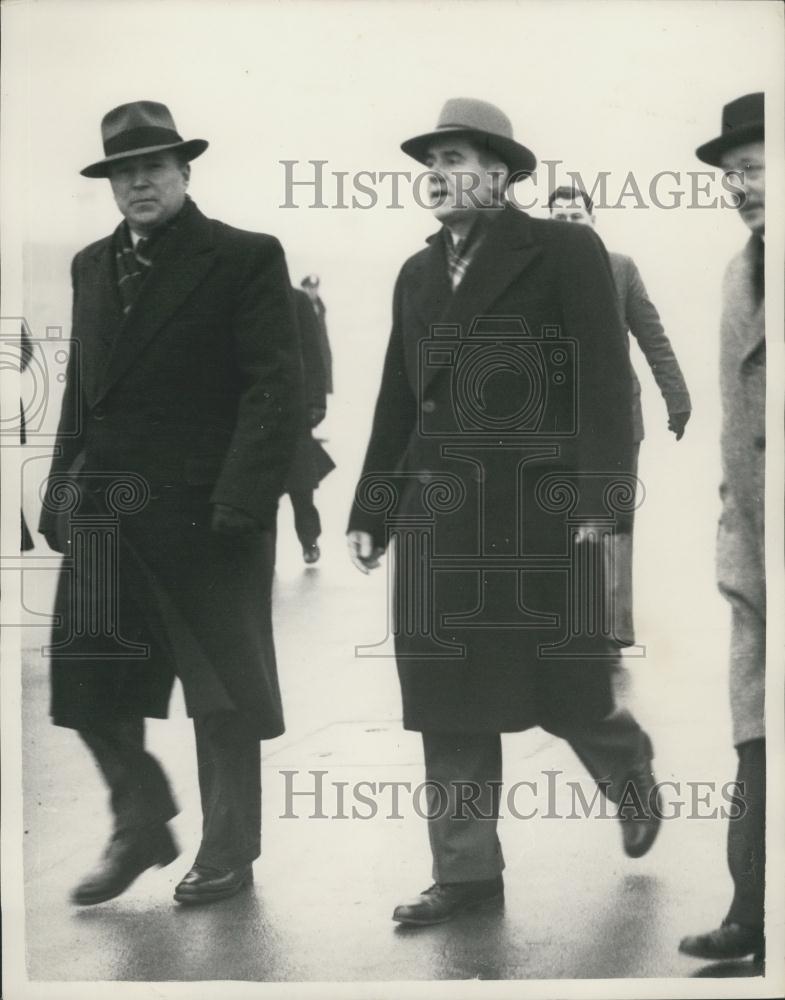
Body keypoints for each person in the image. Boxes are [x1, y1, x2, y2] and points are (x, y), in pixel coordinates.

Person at [347, 97, 661, 927]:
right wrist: (372, 509)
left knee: (563, 684)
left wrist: (601, 498)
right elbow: (394, 399)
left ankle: (624, 764)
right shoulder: (415, 274)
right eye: (431, 163)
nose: (438, 176)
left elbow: (600, 375)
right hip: (436, 516)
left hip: (534, 511)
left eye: (454, 160)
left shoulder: (561, 249)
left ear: (500, 172)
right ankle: (465, 874)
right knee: (443, 697)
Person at [38, 100, 303, 906]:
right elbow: (85, 388)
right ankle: (141, 822)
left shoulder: (243, 257)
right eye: (124, 171)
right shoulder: (90, 264)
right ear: (110, 184)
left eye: (154, 167)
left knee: (220, 695)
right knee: (86, 682)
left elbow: (274, 386)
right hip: (106, 507)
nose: (139, 182)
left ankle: (228, 852)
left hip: (207, 514)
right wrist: (57, 491)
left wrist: (242, 500)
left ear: (185, 173)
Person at [679, 91, 765, 965]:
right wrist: (730, 528)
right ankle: (751, 910)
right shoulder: (737, 274)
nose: (737, 187)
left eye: (753, 166)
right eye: (729, 174)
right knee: (757, 729)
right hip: (757, 550)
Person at [547, 183, 692, 645]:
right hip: (554, 420)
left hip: (616, 418)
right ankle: (565, 620)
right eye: (559, 218)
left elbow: (653, 336)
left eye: (577, 217)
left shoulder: (620, 268)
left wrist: (677, 397)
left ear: (593, 221)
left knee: (614, 517)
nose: (568, 225)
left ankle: (613, 624)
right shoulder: (534, 272)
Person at [282, 287, 335, 563]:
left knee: (301, 486)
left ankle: (309, 540)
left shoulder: (297, 300)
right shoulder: (246, 292)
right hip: (255, 406)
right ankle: (267, 555)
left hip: (294, 407)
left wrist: (317, 402)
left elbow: (314, 354)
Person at [300, 274, 333, 395]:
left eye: (314, 288)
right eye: (309, 288)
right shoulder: (299, 306)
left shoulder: (320, 307)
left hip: (320, 349)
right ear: (304, 289)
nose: (312, 291)